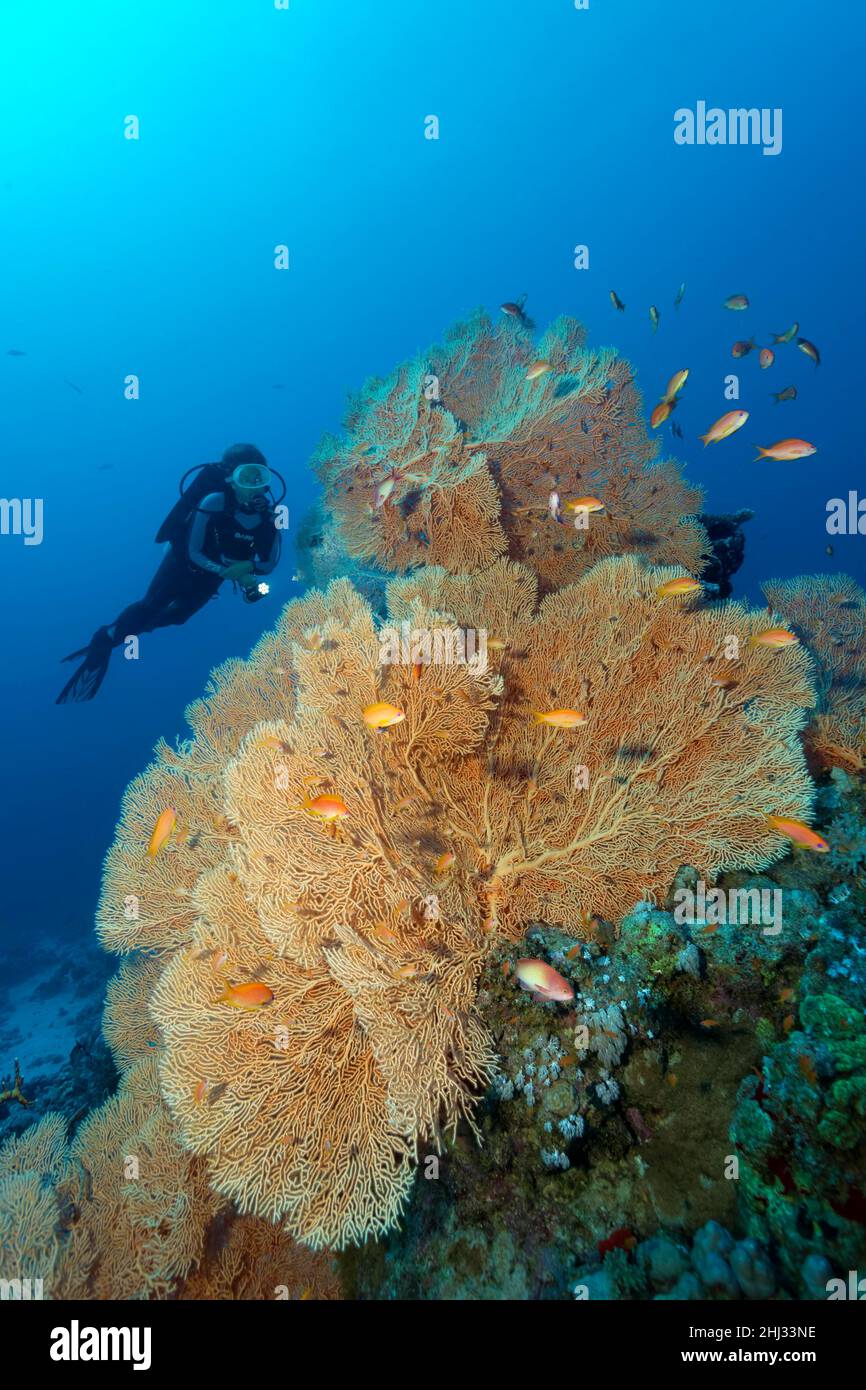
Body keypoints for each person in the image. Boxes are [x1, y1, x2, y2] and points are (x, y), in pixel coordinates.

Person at [57, 443, 282, 704]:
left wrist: (247, 569)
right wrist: (226, 570)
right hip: (181, 564)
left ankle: (128, 631)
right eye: (247, 476)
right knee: (150, 605)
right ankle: (106, 637)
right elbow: (194, 551)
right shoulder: (214, 502)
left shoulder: (268, 517)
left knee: (179, 618)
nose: (253, 484)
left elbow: (269, 564)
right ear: (231, 479)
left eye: (260, 477)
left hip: (214, 576)